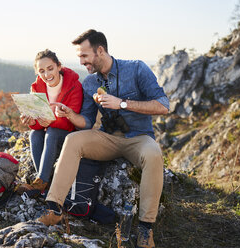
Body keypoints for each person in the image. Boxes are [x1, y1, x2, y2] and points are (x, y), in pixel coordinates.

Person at [37, 30, 169, 248]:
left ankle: (145, 230)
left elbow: (163, 105)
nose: (81, 62)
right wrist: (69, 114)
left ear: (100, 50)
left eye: (84, 56)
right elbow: (87, 122)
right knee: (74, 140)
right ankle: (53, 209)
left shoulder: (136, 69)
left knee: (154, 154)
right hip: (107, 138)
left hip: (139, 138)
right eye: (79, 57)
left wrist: (122, 103)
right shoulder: (90, 83)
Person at [17, 49, 83, 195]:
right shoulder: (36, 88)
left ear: (59, 66)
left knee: (52, 132)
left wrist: (49, 123)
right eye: (41, 71)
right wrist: (31, 120)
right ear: (37, 73)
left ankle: (41, 182)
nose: (47, 75)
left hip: (68, 134)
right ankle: (42, 181)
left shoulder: (74, 85)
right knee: (34, 134)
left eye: (50, 68)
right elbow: (37, 124)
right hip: (49, 133)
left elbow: (71, 122)